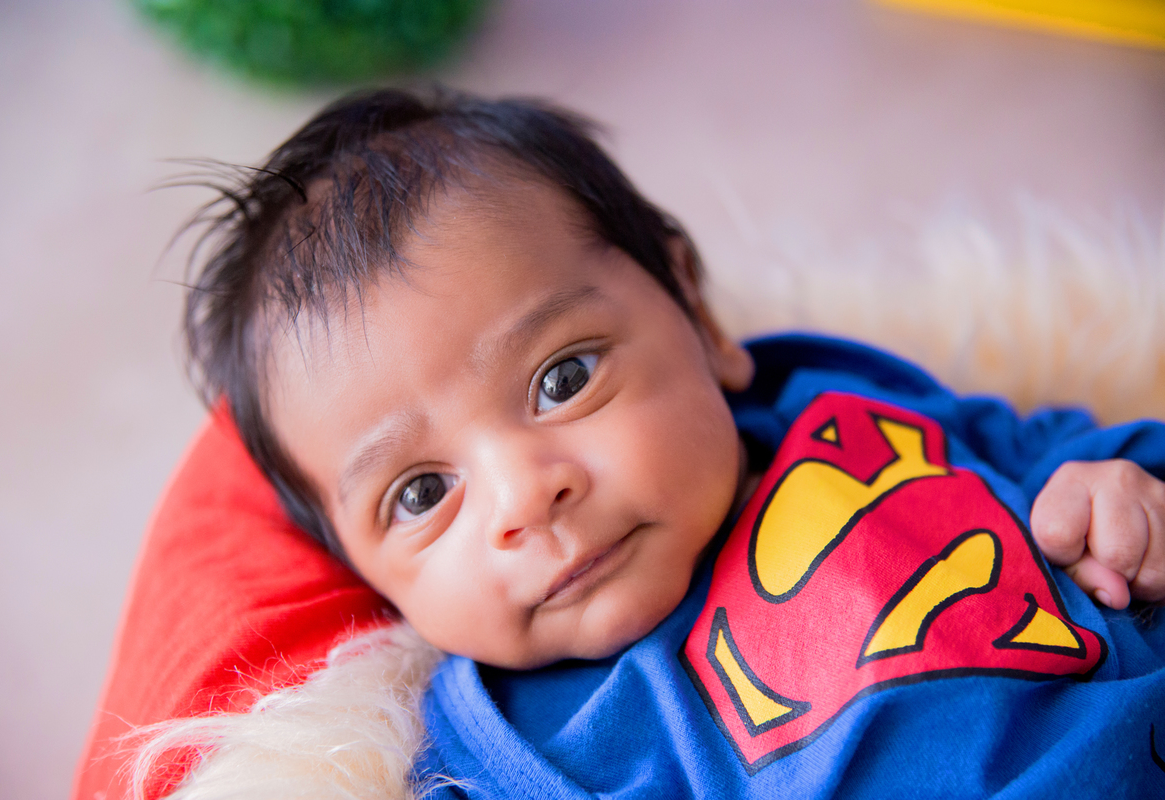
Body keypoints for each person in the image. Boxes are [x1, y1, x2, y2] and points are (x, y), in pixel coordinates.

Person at [161, 88, 1165, 797]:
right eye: (423, 493)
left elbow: (1060, 451)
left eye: (563, 379)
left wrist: (1115, 492)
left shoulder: (837, 403)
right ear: (369, 575)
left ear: (698, 313)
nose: (523, 496)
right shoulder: (527, 738)